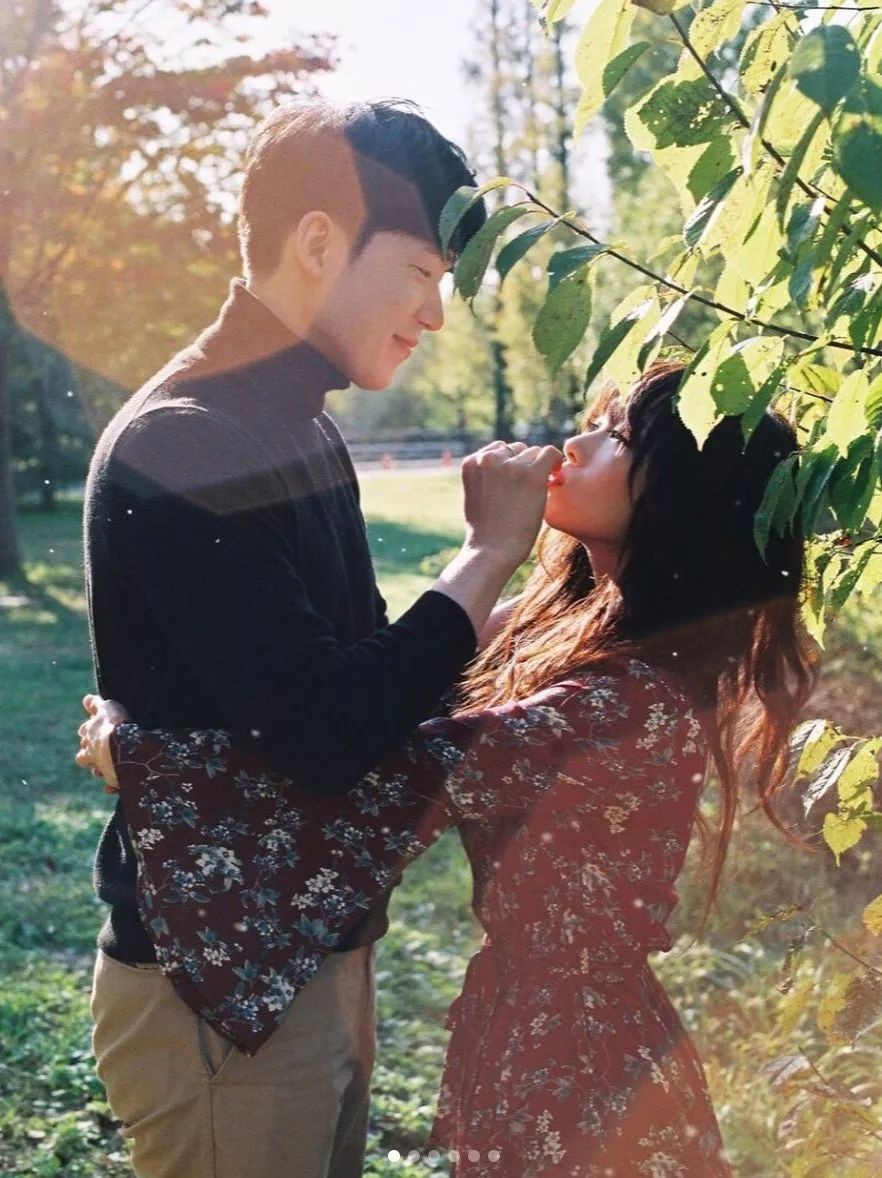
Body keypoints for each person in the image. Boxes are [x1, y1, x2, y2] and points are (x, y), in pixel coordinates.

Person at [79, 362, 819, 1176]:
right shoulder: (572, 632)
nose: (575, 444)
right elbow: (389, 692)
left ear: (686, 495)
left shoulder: (620, 700)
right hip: (541, 1029)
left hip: (580, 1065)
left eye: (618, 436)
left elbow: (387, 779)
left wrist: (140, 756)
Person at [82, 95, 562, 1178]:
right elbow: (329, 730)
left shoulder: (299, 428)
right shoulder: (187, 441)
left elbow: (378, 685)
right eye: (422, 271)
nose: (435, 313)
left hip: (313, 954)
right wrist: (486, 554)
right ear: (316, 242)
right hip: (220, 992)